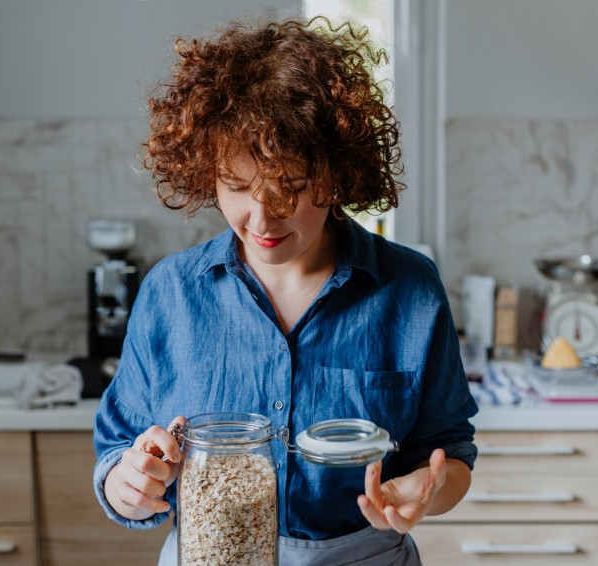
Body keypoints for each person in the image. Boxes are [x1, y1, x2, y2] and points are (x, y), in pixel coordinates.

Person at [93, 16, 478, 565]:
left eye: (292, 188)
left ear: (337, 174)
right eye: (238, 187)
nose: (262, 216)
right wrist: (130, 485)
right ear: (207, 174)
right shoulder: (171, 293)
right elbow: (116, 452)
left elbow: (450, 454)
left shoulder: (409, 290)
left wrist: (425, 491)